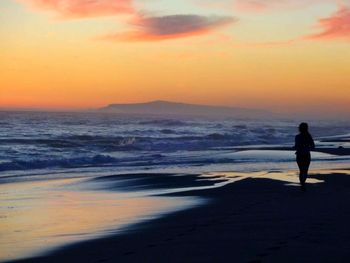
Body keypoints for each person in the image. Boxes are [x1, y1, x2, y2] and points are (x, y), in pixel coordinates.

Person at [294, 122, 315, 190]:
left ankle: (302, 185)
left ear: (299, 128)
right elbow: (313, 146)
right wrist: (306, 148)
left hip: (299, 155)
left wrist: (297, 148)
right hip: (306, 155)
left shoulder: (297, 137)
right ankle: (303, 184)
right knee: (305, 171)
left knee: (301, 171)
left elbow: (296, 146)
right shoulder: (309, 136)